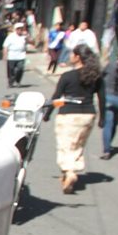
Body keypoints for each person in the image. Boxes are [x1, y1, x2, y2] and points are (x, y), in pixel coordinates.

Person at [47, 44, 105, 194]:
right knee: (78, 145)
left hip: (68, 114)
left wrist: (47, 113)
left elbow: (56, 97)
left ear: (78, 57)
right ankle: (69, 173)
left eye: (72, 54)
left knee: (65, 145)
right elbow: (102, 98)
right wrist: (102, 118)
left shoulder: (67, 76)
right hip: (88, 115)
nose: (70, 57)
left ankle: (69, 172)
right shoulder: (96, 77)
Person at [2, 23, 29, 87]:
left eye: (21, 29)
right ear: (16, 29)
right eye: (18, 29)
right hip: (12, 56)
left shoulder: (24, 36)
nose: (20, 30)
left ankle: (17, 81)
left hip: (21, 55)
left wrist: (27, 37)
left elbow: (31, 42)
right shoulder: (11, 36)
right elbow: (5, 46)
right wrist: (4, 55)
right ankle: (10, 82)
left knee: (20, 68)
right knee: (11, 70)